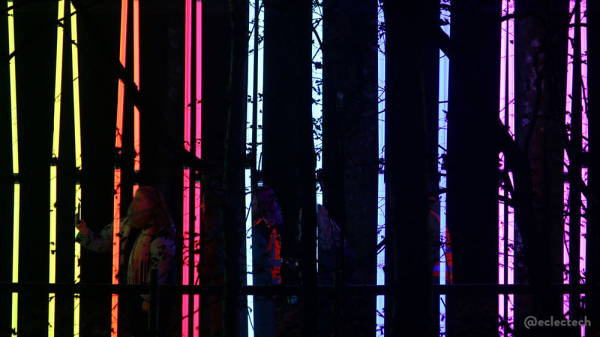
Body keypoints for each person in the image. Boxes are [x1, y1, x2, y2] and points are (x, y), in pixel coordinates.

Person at [75, 186, 176, 337]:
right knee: (137, 330)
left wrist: (149, 298)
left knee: (152, 331)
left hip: (154, 296)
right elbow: (104, 242)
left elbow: (161, 266)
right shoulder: (126, 224)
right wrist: (84, 231)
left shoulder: (160, 229)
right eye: (135, 199)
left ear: (152, 205)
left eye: (140, 200)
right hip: (133, 292)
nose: (134, 203)